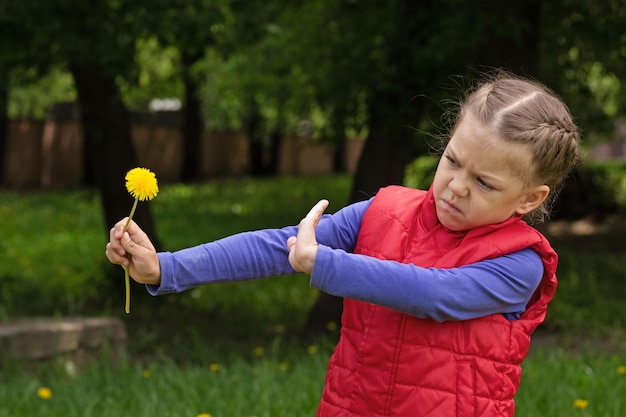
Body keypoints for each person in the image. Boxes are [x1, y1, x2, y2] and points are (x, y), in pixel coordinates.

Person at [106, 72, 582, 417]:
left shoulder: (519, 263)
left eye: (484, 182)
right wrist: (166, 268)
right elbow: (279, 245)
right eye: (452, 161)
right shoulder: (385, 211)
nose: (456, 186)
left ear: (529, 198)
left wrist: (326, 265)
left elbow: (434, 295)